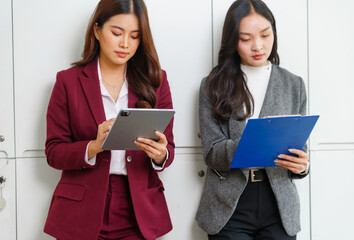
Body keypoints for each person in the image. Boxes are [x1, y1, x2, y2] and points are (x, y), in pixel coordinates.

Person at [44, 0, 174, 239]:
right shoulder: (67, 82)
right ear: (97, 30)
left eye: (135, 36)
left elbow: (169, 149)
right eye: (116, 33)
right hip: (81, 208)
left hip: (138, 210)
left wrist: (160, 155)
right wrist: (93, 146)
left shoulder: (156, 81)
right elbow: (54, 152)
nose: (125, 43)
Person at [196, 0, 309, 239]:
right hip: (229, 205)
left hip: (279, 205)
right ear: (232, 41)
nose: (258, 46)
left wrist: (302, 166)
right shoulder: (212, 85)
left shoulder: (294, 84)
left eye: (265, 35)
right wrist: (251, 143)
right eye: (245, 39)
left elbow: (300, 147)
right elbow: (212, 153)